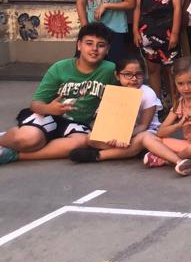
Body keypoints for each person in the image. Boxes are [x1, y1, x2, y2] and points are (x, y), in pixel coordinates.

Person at [0, 23, 117, 165]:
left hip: (79, 123)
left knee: (81, 142)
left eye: (101, 45)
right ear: (79, 45)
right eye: (89, 43)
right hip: (49, 116)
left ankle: (14, 155)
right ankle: (4, 140)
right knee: (29, 140)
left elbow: (125, 94)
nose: (94, 49)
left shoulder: (111, 70)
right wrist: (49, 109)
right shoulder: (60, 68)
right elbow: (36, 104)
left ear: (108, 49)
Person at [68, 54, 160, 164]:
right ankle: (131, 151)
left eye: (138, 74)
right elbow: (104, 121)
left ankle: (98, 156)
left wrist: (125, 137)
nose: (134, 79)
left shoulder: (148, 93)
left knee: (143, 139)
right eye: (128, 74)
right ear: (117, 75)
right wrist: (113, 136)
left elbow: (144, 125)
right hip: (120, 133)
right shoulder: (113, 93)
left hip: (143, 132)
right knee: (90, 138)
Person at [133, 0, 182, 104]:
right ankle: (156, 105)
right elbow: (138, 6)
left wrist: (175, 33)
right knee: (152, 70)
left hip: (167, 32)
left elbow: (177, 7)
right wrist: (135, 31)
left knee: (170, 71)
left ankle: (176, 105)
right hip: (146, 31)